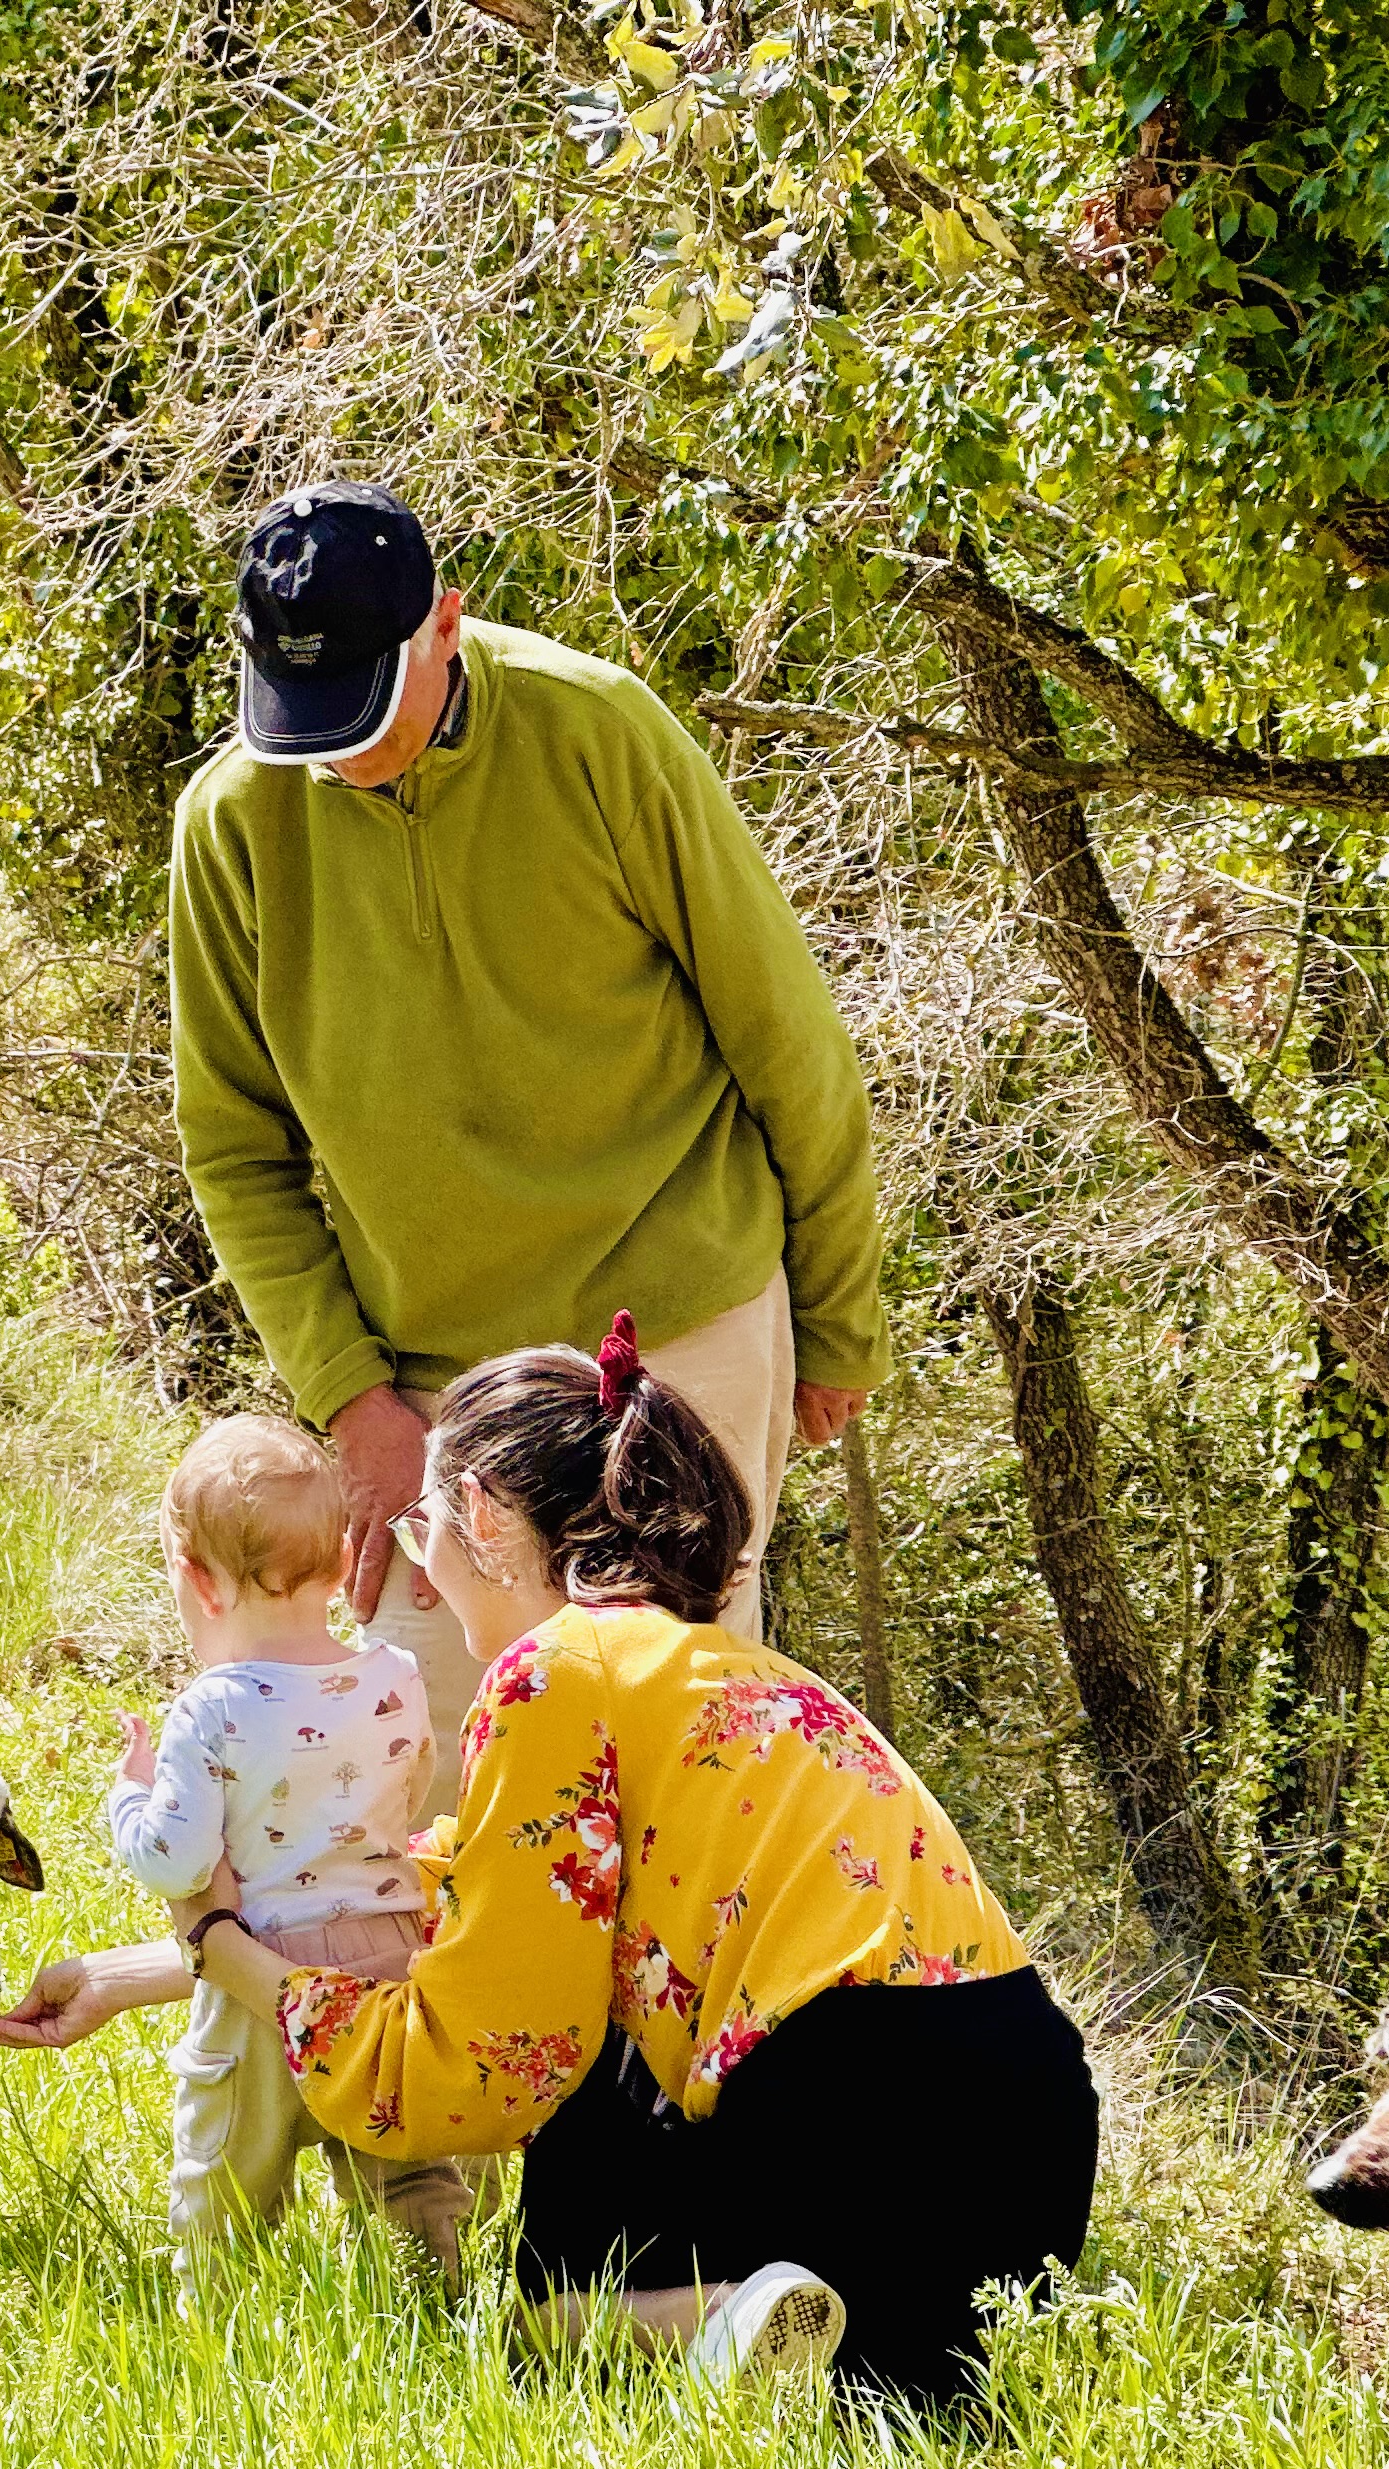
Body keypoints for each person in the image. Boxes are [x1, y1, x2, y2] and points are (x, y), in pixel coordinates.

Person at [0, 1324, 1098, 2405]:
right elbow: (438, 1900)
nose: (418, 1575)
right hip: (1022, 2141)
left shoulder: (550, 1678)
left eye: (418, 1529)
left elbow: (488, 2063)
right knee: (890, 2354)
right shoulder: (730, 1668)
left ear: (478, 1515)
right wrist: (136, 1977)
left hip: (851, 2113)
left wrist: (228, 1955)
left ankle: (714, 2318)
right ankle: (825, 2335)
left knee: (514, 2323)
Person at [169, 479, 884, 1718]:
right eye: (304, 718)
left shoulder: (598, 731)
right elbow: (235, 1152)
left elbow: (790, 1044)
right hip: (436, 1384)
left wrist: (836, 1319)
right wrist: (355, 1402)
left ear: (446, 625)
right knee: (445, 1779)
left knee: (681, 1755)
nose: (336, 753)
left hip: (679, 1334)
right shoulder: (231, 824)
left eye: (364, 710)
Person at [104, 1415, 468, 2285]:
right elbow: (408, 1793)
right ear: (347, 1561)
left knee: (227, 2170)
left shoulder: (212, 1708)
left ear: (199, 1581)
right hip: (386, 1958)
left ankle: (218, 2325)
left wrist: (129, 1795)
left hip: (258, 1973)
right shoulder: (396, 1676)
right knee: (404, 2157)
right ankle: (438, 2299)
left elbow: (175, 1863)